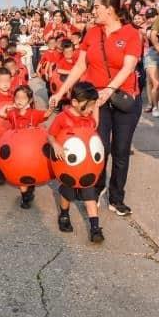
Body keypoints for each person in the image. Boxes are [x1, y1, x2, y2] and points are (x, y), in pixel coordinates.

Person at [50, 0, 142, 217]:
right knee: (100, 146)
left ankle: (117, 197)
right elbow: (80, 66)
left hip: (123, 97)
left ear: (109, 9)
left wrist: (109, 89)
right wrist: (61, 91)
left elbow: (128, 67)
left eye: (96, 7)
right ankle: (97, 188)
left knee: (121, 150)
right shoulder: (92, 33)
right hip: (96, 102)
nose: (93, 11)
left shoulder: (131, 33)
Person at [48, 81, 105, 242]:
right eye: (89, 106)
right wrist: (56, 145)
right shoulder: (62, 118)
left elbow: (95, 124)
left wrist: (97, 107)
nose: (91, 110)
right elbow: (50, 134)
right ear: (74, 103)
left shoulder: (87, 118)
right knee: (68, 191)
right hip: (68, 165)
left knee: (89, 194)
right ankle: (64, 214)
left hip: (86, 167)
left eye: (93, 106)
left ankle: (95, 227)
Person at [0, 85, 53, 209]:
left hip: (32, 152)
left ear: (30, 100)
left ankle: (30, 188)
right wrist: (8, 106)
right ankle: (25, 197)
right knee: (21, 177)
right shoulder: (12, 114)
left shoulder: (34, 114)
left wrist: (52, 105)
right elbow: (0, 113)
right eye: (17, 97)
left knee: (31, 171)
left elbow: (47, 114)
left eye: (23, 98)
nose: (19, 100)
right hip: (17, 153)